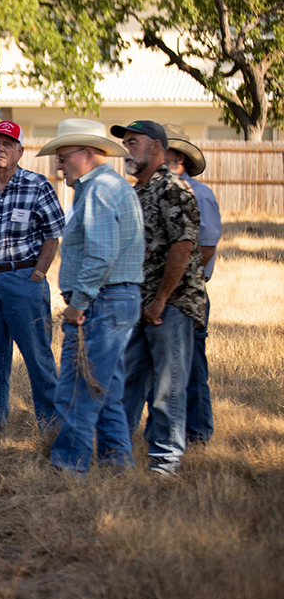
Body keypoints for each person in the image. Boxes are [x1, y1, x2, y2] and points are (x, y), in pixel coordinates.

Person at [36, 119, 144, 475]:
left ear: (87, 153)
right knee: (106, 390)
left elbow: (100, 255)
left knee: (77, 389)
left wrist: (78, 304)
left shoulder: (98, 189)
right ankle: (117, 467)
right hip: (117, 299)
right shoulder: (107, 187)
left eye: (63, 155)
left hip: (101, 302)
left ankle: (69, 469)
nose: (58, 163)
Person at [111, 120, 206, 476]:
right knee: (130, 380)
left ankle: (165, 462)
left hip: (172, 305)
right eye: (126, 143)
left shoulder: (174, 189)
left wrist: (160, 300)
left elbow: (183, 246)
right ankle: (116, 453)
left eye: (133, 142)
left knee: (168, 384)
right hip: (139, 303)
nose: (127, 149)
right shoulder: (136, 192)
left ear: (157, 147)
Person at [0, 120, 65, 432]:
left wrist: (38, 275)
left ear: (20, 151)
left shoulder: (38, 185)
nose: (0, 149)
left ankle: (52, 428)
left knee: (38, 359)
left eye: (7, 144)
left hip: (23, 282)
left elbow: (53, 235)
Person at [163, 123, 221, 446]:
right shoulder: (153, 190)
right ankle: (164, 430)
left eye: (164, 150)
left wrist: (186, 279)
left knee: (193, 364)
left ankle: (198, 432)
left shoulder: (200, 194)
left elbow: (208, 244)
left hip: (189, 293)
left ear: (179, 158)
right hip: (157, 293)